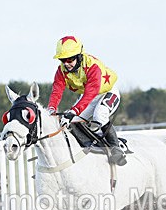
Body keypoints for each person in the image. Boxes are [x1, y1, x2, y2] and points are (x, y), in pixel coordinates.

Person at [47, 35, 126, 165]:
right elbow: (57, 91)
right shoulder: (61, 71)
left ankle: (116, 148)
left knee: (99, 115)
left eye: (70, 59)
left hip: (107, 92)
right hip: (90, 97)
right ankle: (89, 146)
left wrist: (74, 110)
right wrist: (51, 109)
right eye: (63, 60)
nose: (66, 63)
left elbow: (90, 93)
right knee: (71, 122)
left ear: (79, 56)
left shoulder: (93, 66)